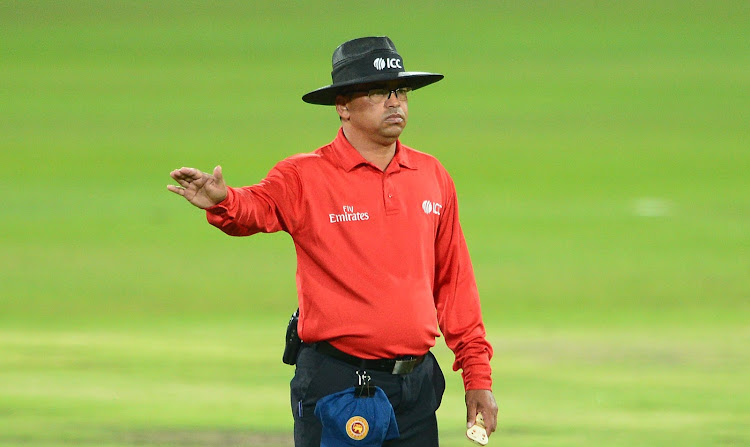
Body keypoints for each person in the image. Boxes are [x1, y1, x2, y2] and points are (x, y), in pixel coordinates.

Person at [168, 36, 498, 446]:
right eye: (378, 91)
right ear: (342, 106)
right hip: (339, 385)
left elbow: (455, 284)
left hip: (416, 389)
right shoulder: (304, 176)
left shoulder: (431, 175)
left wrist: (477, 376)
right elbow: (256, 208)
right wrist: (224, 200)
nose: (395, 102)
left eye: (401, 91)